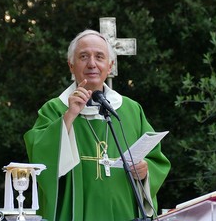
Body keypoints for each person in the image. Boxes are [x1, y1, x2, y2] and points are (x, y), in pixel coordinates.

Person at [24, 29, 171, 221]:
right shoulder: (55, 109)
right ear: (71, 65)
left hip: (124, 213)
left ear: (109, 66)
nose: (92, 64)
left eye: (99, 57)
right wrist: (69, 116)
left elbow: (155, 159)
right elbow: (40, 159)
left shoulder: (130, 110)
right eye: (83, 56)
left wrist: (145, 172)